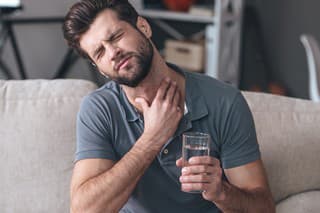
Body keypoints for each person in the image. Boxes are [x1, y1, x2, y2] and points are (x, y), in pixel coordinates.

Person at [63, 0, 275, 212]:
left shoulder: (223, 101)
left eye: (116, 37)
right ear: (99, 68)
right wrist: (151, 140)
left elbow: (264, 208)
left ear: (143, 27)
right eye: (99, 52)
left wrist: (222, 193)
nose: (112, 53)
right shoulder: (99, 109)